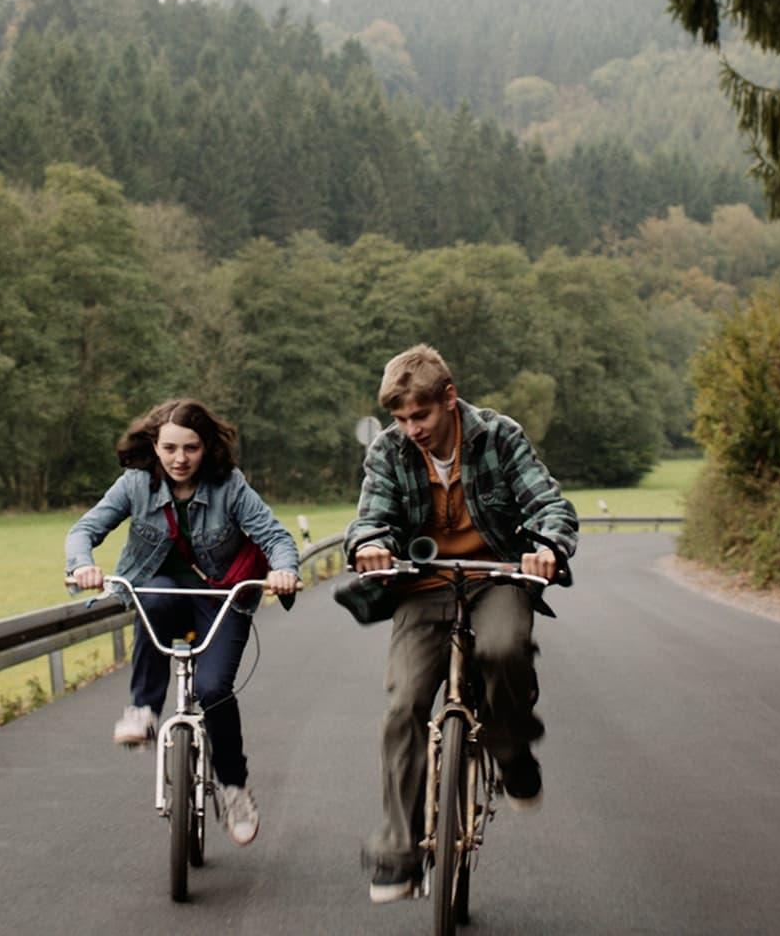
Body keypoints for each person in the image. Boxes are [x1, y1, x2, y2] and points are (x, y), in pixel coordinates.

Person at [344, 344, 578, 904]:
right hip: (422, 586)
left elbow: (550, 504)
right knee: (403, 706)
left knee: (502, 649)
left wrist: (545, 545)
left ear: (448, 399)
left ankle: (510, 746)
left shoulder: (498, 436)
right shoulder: (389, 450)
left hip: (496, 577)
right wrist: (372, 543)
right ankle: (398, 850)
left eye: (419, 415)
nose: (411, 429)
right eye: (400, 418)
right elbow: (369, 516)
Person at [65, 398, 302, 846]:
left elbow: (275, 536)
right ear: (154, 445)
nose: (179, 459)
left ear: (205, 447)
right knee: (154, 593)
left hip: (220, 601)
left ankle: (234, 790)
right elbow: (84, 530)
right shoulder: (135, 485)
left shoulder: (230, 486)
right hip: (165, 597)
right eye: (170, 447)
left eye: (190, 448)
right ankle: (144, 710)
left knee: (213, 691)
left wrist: (284, 570)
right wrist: (83, 565)